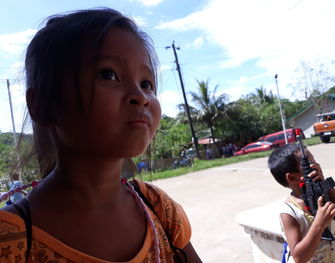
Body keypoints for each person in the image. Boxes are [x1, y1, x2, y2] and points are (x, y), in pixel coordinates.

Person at [0, 8, 202, 263]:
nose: (140, 96)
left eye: (146, 83)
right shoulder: (12, 241)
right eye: (108, 74)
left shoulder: (160, 210)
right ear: (42, 105)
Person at [268, 144, 335, 263]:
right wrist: (319, 224)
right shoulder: (289, 211)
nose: (316, 167)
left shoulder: (324, 194)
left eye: (314, 161)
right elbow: (299, 257)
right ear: (291, 178)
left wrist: (325, 185)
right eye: (309, 165)